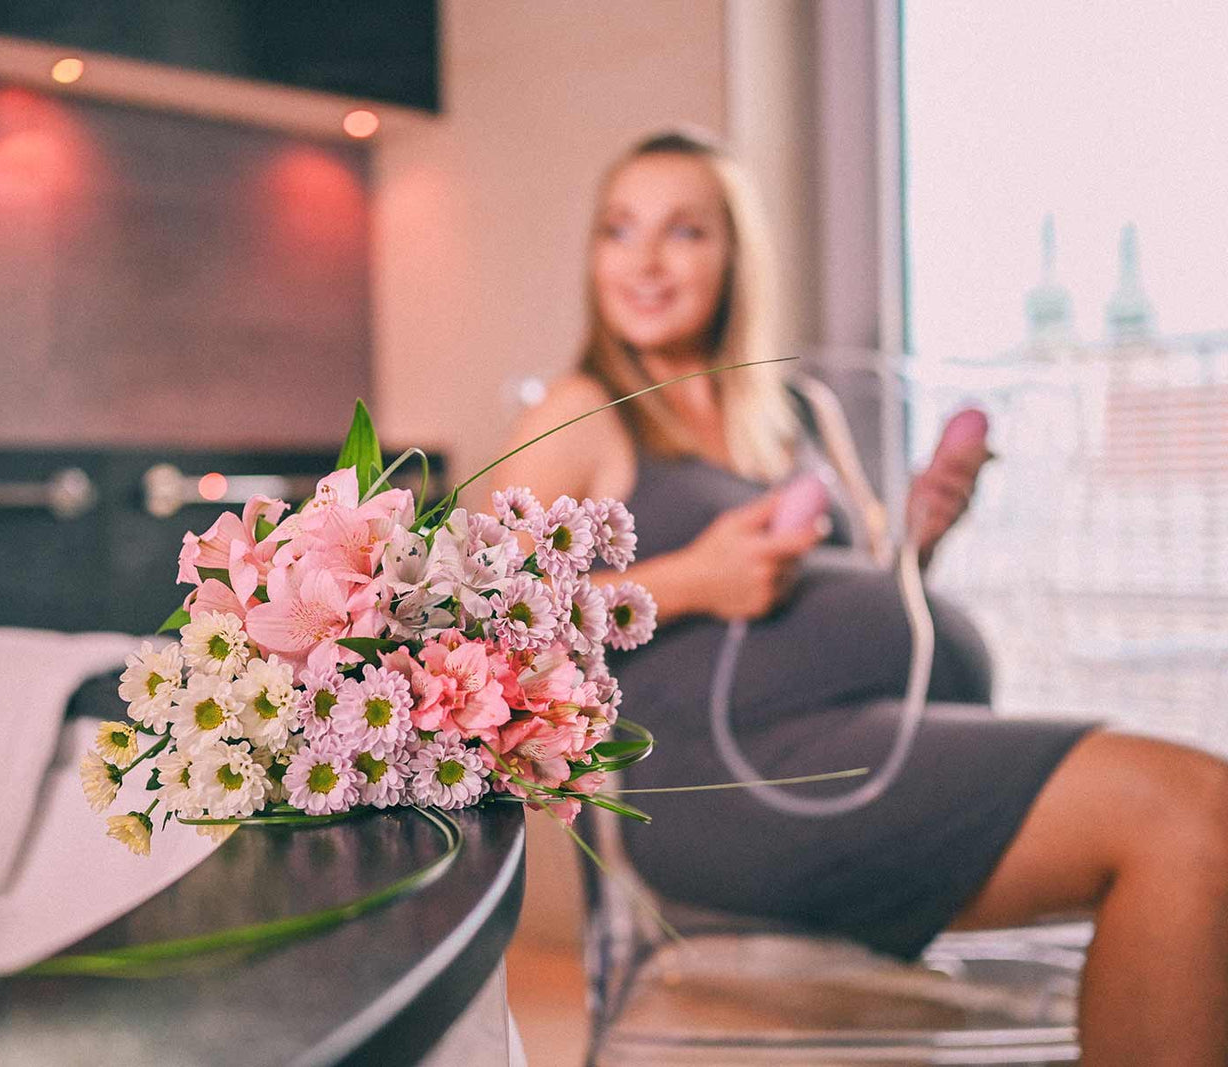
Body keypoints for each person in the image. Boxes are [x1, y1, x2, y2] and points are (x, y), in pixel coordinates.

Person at [493, 130, 1228, 1066]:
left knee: (1190, 811)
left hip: (852, 749)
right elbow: (487, 629)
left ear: (736, 255)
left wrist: (920, 536)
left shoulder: (796, 412)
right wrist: (689, 580)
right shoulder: (579, 411)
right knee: (1187, 809)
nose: (645, 261)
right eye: (619, 229)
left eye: (684, 232)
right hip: (738, 786)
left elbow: (868, 605)